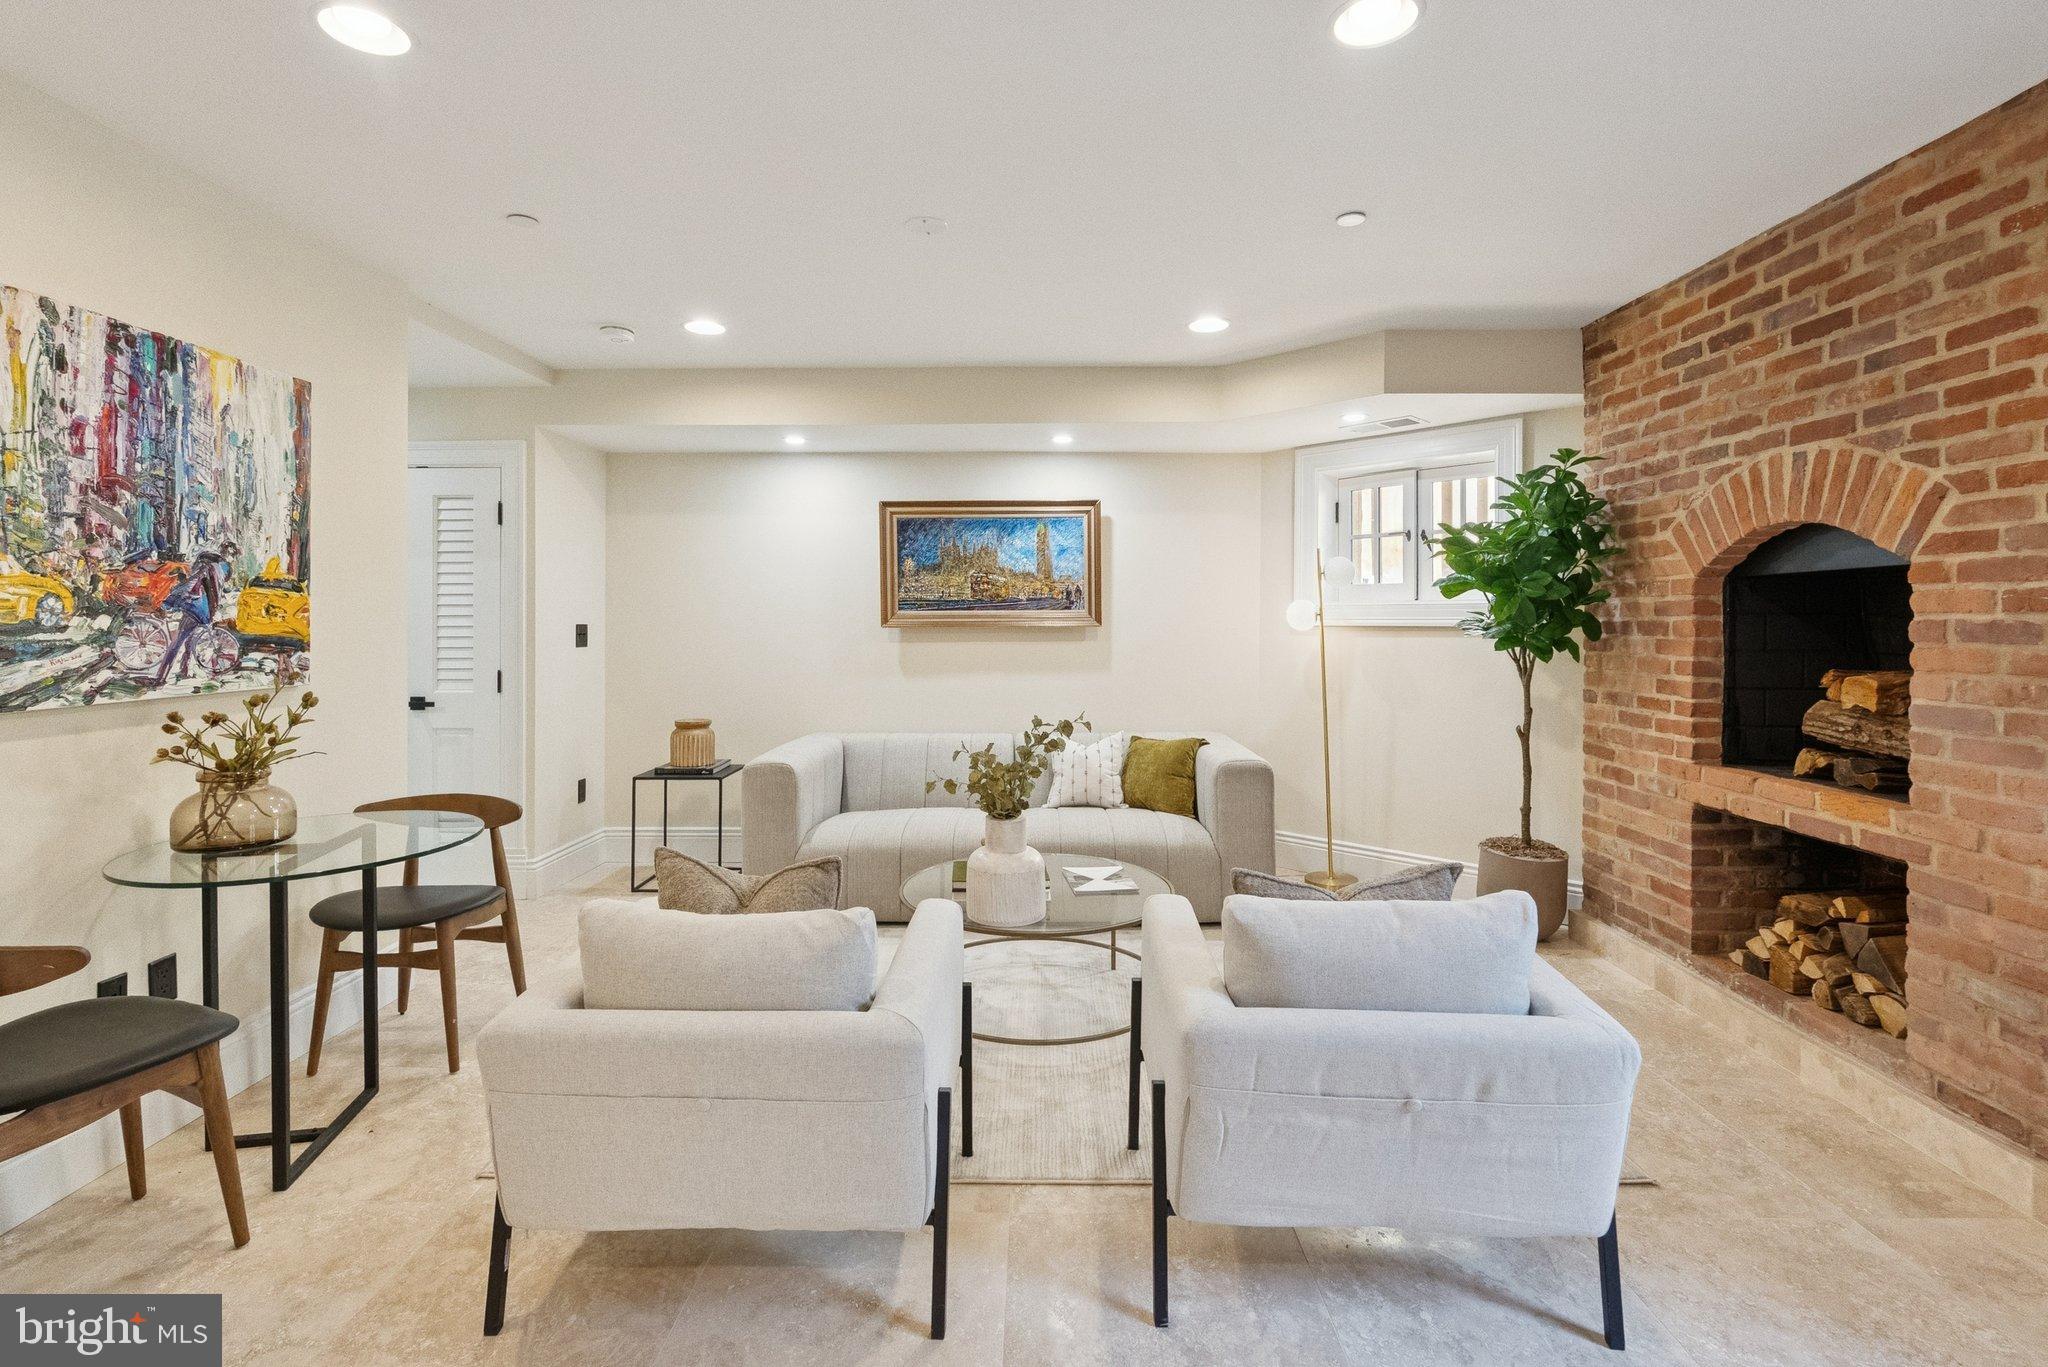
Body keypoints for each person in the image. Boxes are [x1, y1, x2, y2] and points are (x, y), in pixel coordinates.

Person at [152, 540, 236, 686]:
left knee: (177, 642)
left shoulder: (206, 568)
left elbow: (190, 584)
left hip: (195, 608)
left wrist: (170, 601)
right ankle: (184, 669)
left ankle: (161, 677)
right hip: (204, 610)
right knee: (189, 638)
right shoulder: (221, 568)